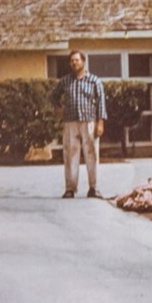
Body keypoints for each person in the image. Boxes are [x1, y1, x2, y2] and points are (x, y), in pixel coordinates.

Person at [51, 50, 107, 198]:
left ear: (83, 61)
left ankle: (94, 188)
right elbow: (54, 95)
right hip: (71, 122)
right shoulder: (65, 81)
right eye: (72, 61)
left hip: (89, 121)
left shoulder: (94, 81)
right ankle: (70, 188)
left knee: (92, 154)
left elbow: (101, 102)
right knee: (70, 155)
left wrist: (100, 122)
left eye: (77, 60)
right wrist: (58, 109)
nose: (74, 63)